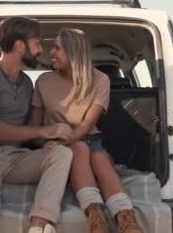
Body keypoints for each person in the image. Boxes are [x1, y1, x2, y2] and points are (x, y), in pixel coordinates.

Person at [0, 17, 73, 233]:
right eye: (37, 43)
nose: (41, 50)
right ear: (20, 46)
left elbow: (28, 131)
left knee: (62, 154)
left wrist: (46, 142)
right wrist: (42, 130)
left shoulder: (28, 83)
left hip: (15, 157)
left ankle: (40, 224)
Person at [30, 28, 144, 233]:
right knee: (81, 149)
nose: (51, 53)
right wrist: (48, 141)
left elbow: (85, 124)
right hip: (55, 148)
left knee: (96, 155)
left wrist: (66, 141)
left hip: (90, 142)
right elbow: (34, 129)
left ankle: (126, 220)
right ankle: (96, 217)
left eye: (57, 48)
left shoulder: (100, 80)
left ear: (74, 52)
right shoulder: (43, 81)